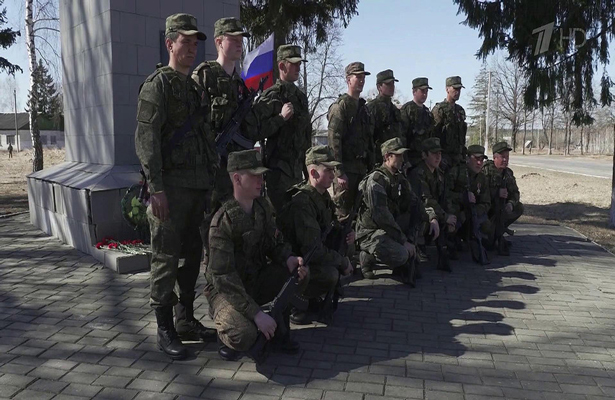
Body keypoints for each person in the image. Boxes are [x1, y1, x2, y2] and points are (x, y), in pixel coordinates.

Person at [135, 13, 217, 360]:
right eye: (185, 41)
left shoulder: (194, 88)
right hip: (169, 190)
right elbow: (147, 140)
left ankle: (185, 319)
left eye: (195, 42)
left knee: (192, 257)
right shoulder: (159, 85)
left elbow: (204, 139)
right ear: (170, 44)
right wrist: (156, 189)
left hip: (196, 189)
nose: (191, 48)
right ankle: (164, 327)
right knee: (165, 259)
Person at [204, 149, 308, 361]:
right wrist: (256, 314)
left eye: (261, 175)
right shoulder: (222, 222)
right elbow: (224, 279)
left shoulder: (262, 206)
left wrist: (288, 258)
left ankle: (279, 331)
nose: (261, 180)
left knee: (295, 276)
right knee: (245, 334)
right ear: (236, 178)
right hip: (225, 292)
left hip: (255, 280)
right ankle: (225, 332)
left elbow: (274, 242)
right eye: (254, 175)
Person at [277, 146, 354, 324]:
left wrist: (348, 234)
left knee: (345, 248)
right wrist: (342, 262)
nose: (333, 175)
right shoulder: (302, 201)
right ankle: (296, 303)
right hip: (294, 263)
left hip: (307, 258)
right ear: (313, 172)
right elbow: (313, 249)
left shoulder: (321, 196)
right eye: (327, 170)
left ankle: (310, 298)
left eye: (333, 170)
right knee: (331, 273)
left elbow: (330, 226)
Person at [192, 17, 255, 209]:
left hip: (236, 173)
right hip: (212, 170)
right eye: (233, 39)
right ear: (218, 42)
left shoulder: (240, 85)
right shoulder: (205, 75)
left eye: (241, 39)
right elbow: (193, 122)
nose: (239, 43)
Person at [356, 138, 438, 283]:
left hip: (390, 228)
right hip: (371, 232)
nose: (402, 159)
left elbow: (415, 201)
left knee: (422, 222)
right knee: (401, 254)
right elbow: (381, 217)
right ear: (387, 157)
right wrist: (403, 241)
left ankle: (405, 260)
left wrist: (432, 217)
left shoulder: (399, 178)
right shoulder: (376, 180)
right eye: (398, 155)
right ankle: (367, 256)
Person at [253, 44, 312, 214]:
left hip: (297, 171)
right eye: (293, 63)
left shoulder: (301, 98)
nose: (298, 67)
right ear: (281, 66)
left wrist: (307, 167)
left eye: (299, 64)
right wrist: (280, 119)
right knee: (279, 219)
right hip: (277, 172)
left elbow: (305, 134)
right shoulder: (271, 96)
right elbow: (258, 131)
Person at [328, 62, 375, 221]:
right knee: (343, 216)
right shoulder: (341, 106)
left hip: (362, 170)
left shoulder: (363, 108)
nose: (361, 80)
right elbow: (334, 140)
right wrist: (339, 172)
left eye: (363, 77)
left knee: (361, 216)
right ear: (348, 80)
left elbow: (368, 141)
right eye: (358, 77)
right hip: (346, 171)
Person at [410, 138, 456, 269]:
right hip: (421, 213)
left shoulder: (439, 174)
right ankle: (418, 248)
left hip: (435, 211)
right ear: (424, 155)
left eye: (440, 154)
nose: (438, 157)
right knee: (424, 224)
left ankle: (444, 249)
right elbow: (426, 200)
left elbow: (446, 197)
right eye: (434, 153)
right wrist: (443, 216)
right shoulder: (418, 173)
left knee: (454, 219)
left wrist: (450, 215)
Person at [446, 144, 491, 257]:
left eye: (481, 160)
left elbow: (486, 202)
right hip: (455, 210)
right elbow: (445, 194)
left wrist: (474, 211)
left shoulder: (482, 178)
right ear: (467, 158)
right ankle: (450, 241)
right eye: (476, 159)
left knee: (486, 225)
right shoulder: (456, 172)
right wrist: (462, 197)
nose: (479, 163)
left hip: (472, 213)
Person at [483, 141, 524, 255]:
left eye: (507, 157)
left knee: (518, 207)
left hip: (501, 210)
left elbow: (515, 193)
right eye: (502, 157)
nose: (505, 160)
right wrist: (496, 193)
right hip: (487, 210)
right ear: (495, 157)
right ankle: (491, 234)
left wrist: (510, 203)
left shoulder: (508, 174)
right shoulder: (486, 171)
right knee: (489, 243)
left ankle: (498, 233)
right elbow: (481, 193)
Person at [431, 76, 467, 172]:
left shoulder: (460, 111)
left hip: (458, 158)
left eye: (459, 89)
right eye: (455, 89)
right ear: (447, 89)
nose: (457, 92)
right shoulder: (439, 109)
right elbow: (432, 135)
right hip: (444, 158)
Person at [366, 69, 402, 164]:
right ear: (379, 87)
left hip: (394, 160)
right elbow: (368, 138)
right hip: (377, 159)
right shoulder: (371, 108)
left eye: (393, 84)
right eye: (388, 84)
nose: (392, 87)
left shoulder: (394, 110)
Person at [400, 77, 434, 170]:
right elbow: (402, 137)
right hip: (411, 159)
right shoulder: (407, 110)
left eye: (426, 91)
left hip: (426, 160)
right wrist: (405, 160)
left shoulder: (427, 113)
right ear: (414, 91)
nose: (424, 94)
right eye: (422, 91)